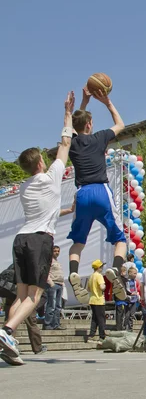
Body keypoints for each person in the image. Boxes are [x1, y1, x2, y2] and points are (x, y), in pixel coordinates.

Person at [0, 92, 75, 366]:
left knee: (20, 296)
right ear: (41, 163)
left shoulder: (23, 187)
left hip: (21, 239)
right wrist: (68, 112)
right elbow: (66, 142)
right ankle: (7, 331)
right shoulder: (53, 176)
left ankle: (8, 342)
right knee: (36, 295)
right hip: (39, 240)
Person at [66, 87, 127, 304]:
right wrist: (107, 102)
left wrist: (82, 104)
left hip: (82, 193)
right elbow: (121, 124)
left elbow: (74, 126)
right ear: (90, 125)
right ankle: (115, 270)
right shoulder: (100, 138)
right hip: (101, 191)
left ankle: (73, 272)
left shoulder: (71, 143)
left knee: (77, 242)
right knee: (120, 239)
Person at [44, 245, 66, 330]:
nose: (57, 253)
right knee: (51, 305)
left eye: (58, 251)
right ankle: (48, 324)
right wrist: (51, 283)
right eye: (55, 251)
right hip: (53, 284)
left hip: (60, 284)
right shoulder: (49, 261)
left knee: (58, 305)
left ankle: (56, 324)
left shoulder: (57, 262)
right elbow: (46, 272)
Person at [87, 260, 107, 341]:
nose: (102, 268)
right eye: (101, 266)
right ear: (99, 267)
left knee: (95, 318)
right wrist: (104, 286)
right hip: (99, 300)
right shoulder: (99, 276)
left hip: (92, 299)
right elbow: (102, 287)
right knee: (101, 319)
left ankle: (91, 335)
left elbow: (88, 289)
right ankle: (102, 336)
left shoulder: (91, 276)